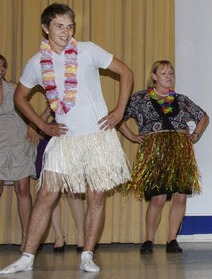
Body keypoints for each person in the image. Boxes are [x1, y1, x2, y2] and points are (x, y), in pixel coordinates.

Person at [0, 3, 132, 274]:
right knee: (46, 194)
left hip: (97, 137)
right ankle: (27, 257)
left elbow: (126, 73)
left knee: (96, 196)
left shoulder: (88, 50)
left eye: (69, 26)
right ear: (45, 28)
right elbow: (19, 98)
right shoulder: (37, 63)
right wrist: (41, 126)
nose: (65, 31)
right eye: (59, 26)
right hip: (64, 140)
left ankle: (87, 254)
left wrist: (119, 111)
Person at [119, 60, 209, 254]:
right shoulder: (140, 98)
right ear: (153, 76)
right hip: (155, 151)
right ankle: (149, 240)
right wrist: (133, 137)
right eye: (164, 73)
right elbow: (119, 118)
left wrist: (195, 135)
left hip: (180, 151)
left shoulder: (181, 100)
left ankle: (172, 240)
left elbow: (203, 116)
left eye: (171, 73)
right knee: (158, 199)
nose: (169, 77)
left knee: (180, 198)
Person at [34, 107, 86, 253]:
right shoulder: (52, 98)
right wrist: (49, 108)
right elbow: (39, 123)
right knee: (50, 191)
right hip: (51, 141)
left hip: (73, 139)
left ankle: (82, 235)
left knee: (72, 191)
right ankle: (58, 236)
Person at [0, 54, 37, 249]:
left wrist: (33, 124)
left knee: (22, 189)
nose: (1, 70)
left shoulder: (14, 87)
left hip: (18, 142)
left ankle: (27, 239)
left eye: (3, 67)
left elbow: (41, 101)